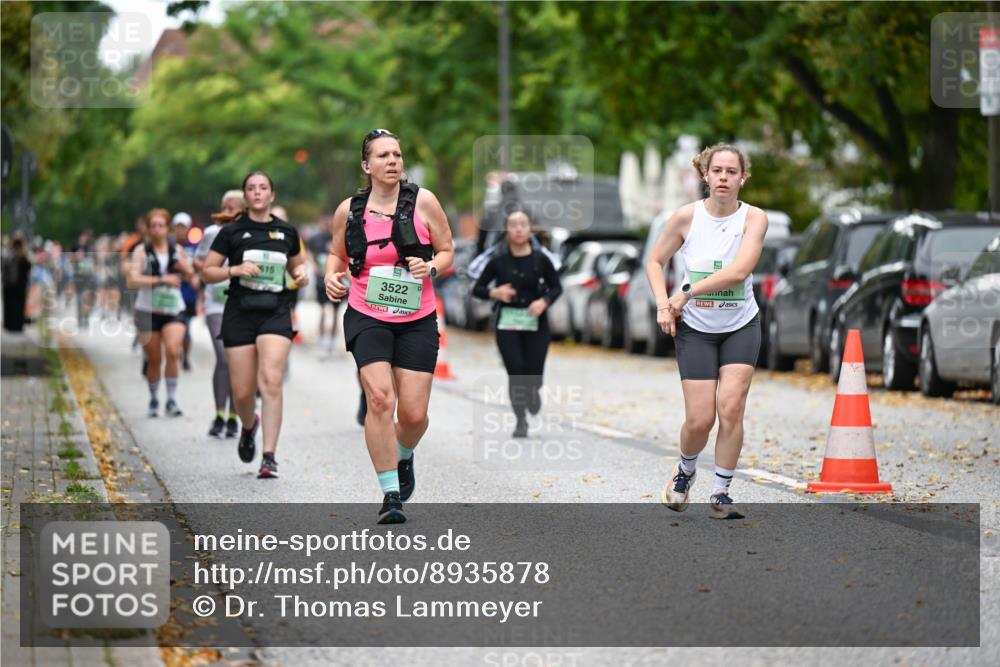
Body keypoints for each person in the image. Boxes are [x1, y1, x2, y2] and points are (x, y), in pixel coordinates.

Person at [324, 128, 454, 524]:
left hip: (416, 318)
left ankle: (404, 454)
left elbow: (448, 251)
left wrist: (430, 266)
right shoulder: (349, 210)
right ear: (366, 165)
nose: (392, 161)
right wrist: (332, 276)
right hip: (367, 313)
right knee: (380, 399)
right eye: (383, 156)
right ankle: (390, 493)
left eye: (397, 154)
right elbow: (336, 254)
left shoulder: (424, 202)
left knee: (413, 415)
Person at [645, 143, 767, 520]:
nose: (724, 178)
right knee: (700, 419)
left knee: (731, 407)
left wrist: (685, 292)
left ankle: (721, 491)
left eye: (732, 172)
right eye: (717, 171)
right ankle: (685, 471)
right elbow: (653, 260)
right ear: (705, 175)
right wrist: (664, 303)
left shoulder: (753, 219)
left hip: (740, 324)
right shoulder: (685, 218)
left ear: (743, 177)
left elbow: (739, 271)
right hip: (696, 328)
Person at [201, 171, 309, 479]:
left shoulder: (286, 231)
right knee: (243, 391)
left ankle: (269, 455)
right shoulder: (232, 232)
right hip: (239, 312)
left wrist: (301, 275)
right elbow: (207, 272)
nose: (258, 192)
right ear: (246, 197)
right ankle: (249, 426)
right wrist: (235, 269)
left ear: (272, 195)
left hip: (275, 311)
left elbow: (298, 267)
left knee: (271, 381)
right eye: (252, 188)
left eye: (263, 188)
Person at [472, 210, 562, 437]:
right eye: (513, 225)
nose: (519, 229)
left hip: (536, 323)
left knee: (533, 373)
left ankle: (534, 392)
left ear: (530, 228)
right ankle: (521, 420)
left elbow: (556, 287)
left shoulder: (541, 259)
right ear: (506, 230)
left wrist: (544, 301)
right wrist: (496, 292)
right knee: (516, 371)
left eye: (523, 224)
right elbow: (478, 289)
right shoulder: (498, 260)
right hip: (507, 323)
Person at [128, 209, 196, 418]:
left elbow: (192, 276)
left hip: (173, 308)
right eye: (153, 226)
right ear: (148, 229)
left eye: (161, 225)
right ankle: (154, 398)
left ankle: (172, 399)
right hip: (147, 310)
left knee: (173, 352)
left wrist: (186, 269)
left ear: (168, 228)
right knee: (155, 358)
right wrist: (160, 280)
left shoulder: (177, 250)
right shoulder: (141, 251)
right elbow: (132, 280)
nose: (157, 229)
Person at [193, 190, 244, 439]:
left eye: (231, 206)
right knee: (223, 358)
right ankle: (218, 413)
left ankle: (234, 417)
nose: (225, 211)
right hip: (215, 304)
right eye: (223, 206)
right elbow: (199, 262)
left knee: (237, 362)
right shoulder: (212, 233)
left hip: (240, 305)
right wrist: (211, 272)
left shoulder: (249, 234)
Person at [307, 212, 339, 358]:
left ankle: (331, 342)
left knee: (336, 313)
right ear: (321, 221)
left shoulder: (338, 238)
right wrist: (313, 266)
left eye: (330, 220)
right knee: (323, 311)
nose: (327, 223)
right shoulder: (315, 238)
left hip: (337, 280)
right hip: (321, 280)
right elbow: (309, 253)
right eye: (325, 220)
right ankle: (321, 341)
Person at [172, 212, 200, 370]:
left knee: (186, 329)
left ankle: (186, 357)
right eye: (178, 227)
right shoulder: (169, 246)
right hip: (173, 293)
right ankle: (174, 354)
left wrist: (196, 279)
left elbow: (200, 268)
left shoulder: (195, 247)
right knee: (175, 328)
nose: (180, 231)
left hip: (189, 295)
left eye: (183, 228)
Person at [2, 234, 32, 332]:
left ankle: (9, 325)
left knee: (9, 306)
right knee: (19, 305)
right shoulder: (24, 255)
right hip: (21, 285)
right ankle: (18, 325)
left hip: (8, 284)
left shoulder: (8, 254)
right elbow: (29, 268)